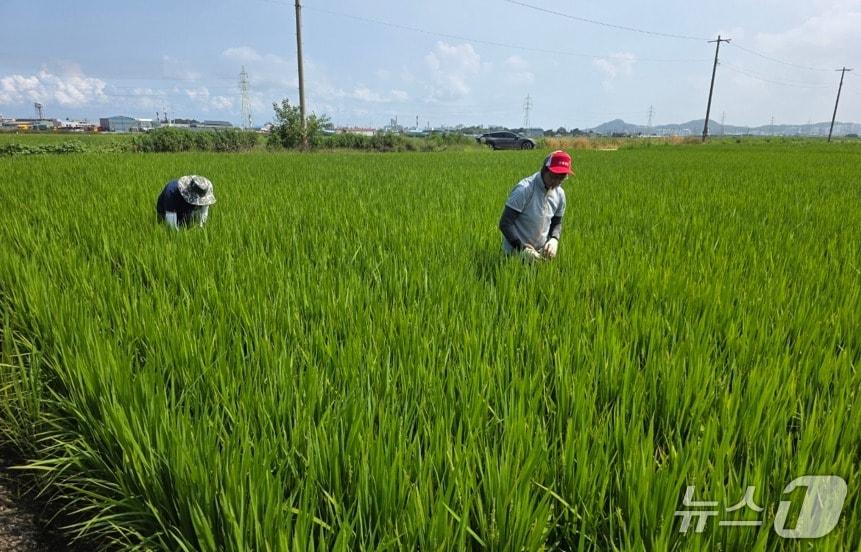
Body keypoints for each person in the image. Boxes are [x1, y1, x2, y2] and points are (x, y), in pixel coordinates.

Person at [498, 150, 573, 261]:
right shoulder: (524, 189)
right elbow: (505, 223)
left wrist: (554, 239)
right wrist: (522, 249)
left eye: (561, 179)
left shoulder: (560, 194)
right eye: (553, 177)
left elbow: (556, 222)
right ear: (544, 170)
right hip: (514, 254)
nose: (556, 182)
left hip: (540, 256)